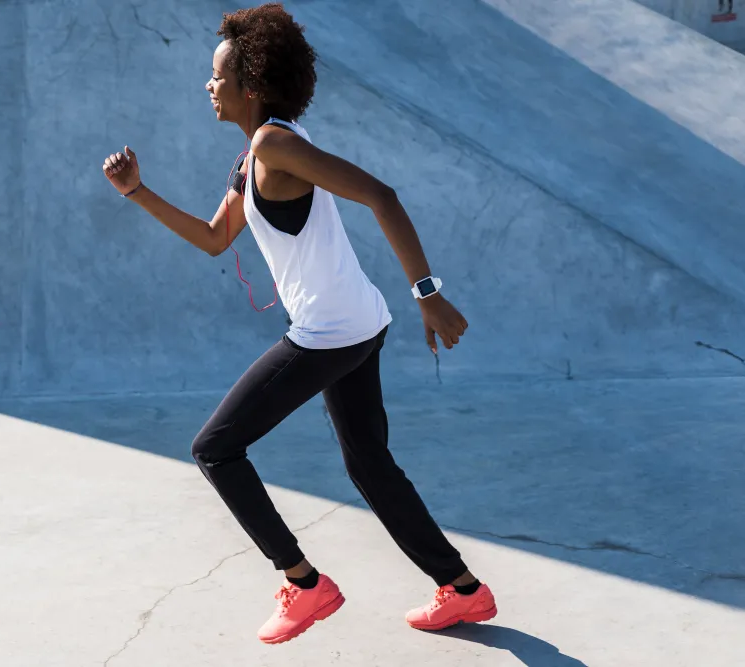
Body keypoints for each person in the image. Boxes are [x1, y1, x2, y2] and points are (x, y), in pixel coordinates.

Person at [102, 2, 497, 645]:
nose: (209, 86)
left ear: (251, 86)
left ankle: (306, 584)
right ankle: (463, 591)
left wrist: (428, 291)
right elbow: (212, 239)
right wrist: (136, 192)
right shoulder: (250, 159)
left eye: (218, 77)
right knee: (370, 465)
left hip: (329, 333)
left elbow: (382, 195)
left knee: (215, 448)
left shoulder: (275, 143)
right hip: (360, 323)